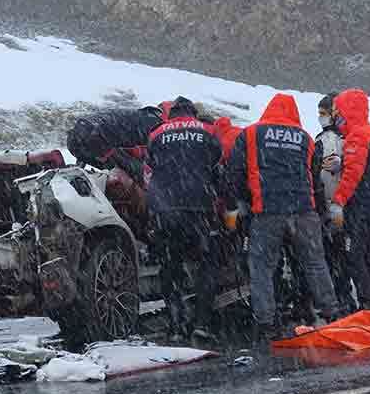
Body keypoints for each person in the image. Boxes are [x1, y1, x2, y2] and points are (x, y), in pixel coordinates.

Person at [225, 93, 341, 341]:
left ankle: (266, 323)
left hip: (267, 212)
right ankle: (332, 313)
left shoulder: (251, 134)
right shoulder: (305, 138)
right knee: (315, 263)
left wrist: (243, 203)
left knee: (262, 269)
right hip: (304, 210)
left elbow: (234, 173)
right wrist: (321, 214)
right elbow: (316, 180)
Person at [146, 96, 224, 341]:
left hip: (165, 209)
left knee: (170, 265)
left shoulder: (156, 133)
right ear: (193, 113)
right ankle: (202, 323)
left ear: (172, 114)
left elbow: (150, 165)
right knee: (206, 264)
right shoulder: (208, 131)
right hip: (199, 207)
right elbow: (216, 165)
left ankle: (176, 325)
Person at [329, 88, 370, 311]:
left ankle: (366, 302)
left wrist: (338, 201)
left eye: (338, 113)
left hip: (360, 209)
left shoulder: (356, 137)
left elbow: (353, 175)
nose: (336, 118)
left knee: (355, 256)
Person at [316, 93, 358, 314]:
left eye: (324, 113)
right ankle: (346, 300)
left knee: (336, 257)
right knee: (342, 257)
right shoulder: (345, 137)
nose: (321, 118)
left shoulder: (330, 140)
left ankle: (341, 301)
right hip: (340, 205)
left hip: (334, 206)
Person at [66, 105, 163, 185]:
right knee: (139, 175)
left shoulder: (131, 115)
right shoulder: (155, 122)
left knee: (121, 173)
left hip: (73, 141)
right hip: (94, 138)